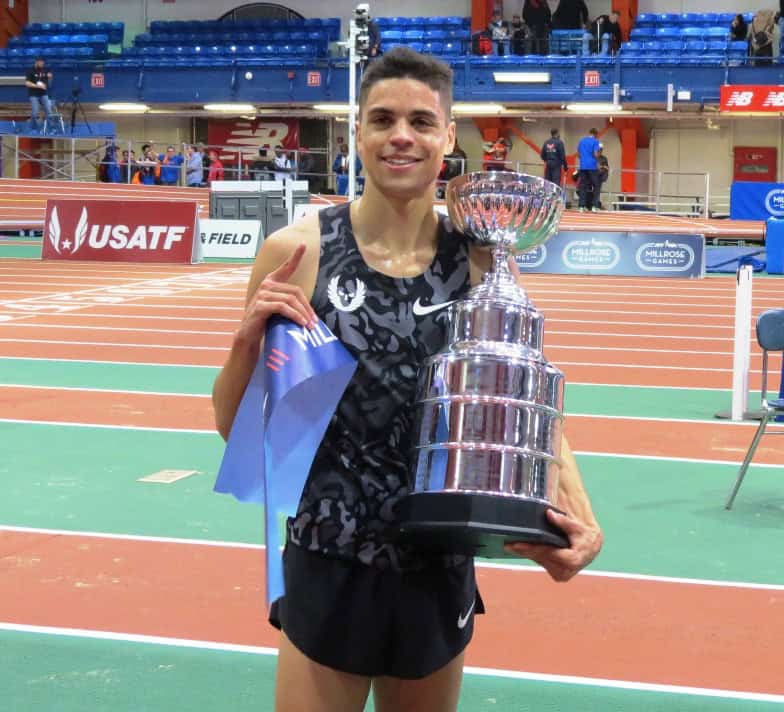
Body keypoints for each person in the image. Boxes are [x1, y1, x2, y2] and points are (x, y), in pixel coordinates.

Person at [211, 46, 602, 712]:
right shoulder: (298, 253)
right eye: (383, 118)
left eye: (421, 121)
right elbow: (239, 430)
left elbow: (520, 403)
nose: (401, 136)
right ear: (356, 130)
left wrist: (580, 515)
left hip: (436, 561)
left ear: (448, 137)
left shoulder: (480, 259)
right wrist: (245, 345)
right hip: (327, 554)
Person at [25, 56, 53, 132]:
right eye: (41, 62)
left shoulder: (46, 69)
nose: (42, 64)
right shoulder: (30, 70)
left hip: (43, 93)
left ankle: (50, 126)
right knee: (35, 111)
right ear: (36, 62)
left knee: (48, 110)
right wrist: (38, 86)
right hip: (33, 94)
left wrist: (50, 78)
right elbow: (27, 83)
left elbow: (49, 82)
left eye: (43, 62)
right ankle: (33, 126)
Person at [576, 127, 601, 212]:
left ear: (589, 132)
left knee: (583, 186)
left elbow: (578, 155)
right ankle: (594, 206)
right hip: (592, 166)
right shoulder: (596, 141)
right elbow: (595, 154)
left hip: (583, 166)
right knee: (597, 185)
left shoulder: (581, 141)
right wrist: (598, 154)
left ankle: (581, 206)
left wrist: (584, 158)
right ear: (596, 134)